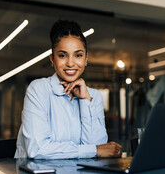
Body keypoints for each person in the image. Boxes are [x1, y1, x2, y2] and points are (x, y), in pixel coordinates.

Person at [15, 20, 122, 159]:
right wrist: (94, 150)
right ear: (52, 59)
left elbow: (99, 149)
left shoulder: (93, 96)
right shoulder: (38, 89)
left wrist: (85, 101)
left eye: (78, 55)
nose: (71, 63)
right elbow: (37, 149)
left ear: (86, 58)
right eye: (62, 55)